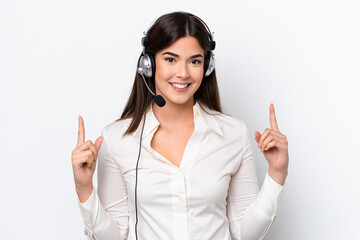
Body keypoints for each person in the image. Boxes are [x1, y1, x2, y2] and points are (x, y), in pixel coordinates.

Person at [71, 11, 289, 240]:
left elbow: (245, 233)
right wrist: (84, 189)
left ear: (207, 67)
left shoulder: (234, 133)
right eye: (170, 59)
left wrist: (277, 173)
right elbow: (114, 237)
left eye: (194, 61)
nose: (183, 73)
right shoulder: (117, 139)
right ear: (149, 64)